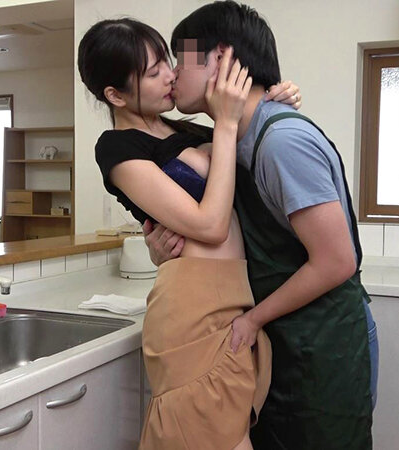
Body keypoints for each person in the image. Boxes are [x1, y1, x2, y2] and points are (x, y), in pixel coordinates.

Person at [145, 2, 378, 448]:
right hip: (288, 337)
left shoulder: (281, 142)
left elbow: (336, 261)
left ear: (221, 58)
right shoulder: (230, 138)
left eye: (181, 57)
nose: (173, 74)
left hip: (327, 342)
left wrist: (253, 319)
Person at [77, 18, 302, 450]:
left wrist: (271, 101)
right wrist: (228, 126)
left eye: (167, 61)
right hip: (192, 310)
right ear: (115, 95)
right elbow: (210, 226)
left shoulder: (189, 129)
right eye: (153, 72)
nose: (171, 74)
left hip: (237, 297)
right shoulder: (117, 148)